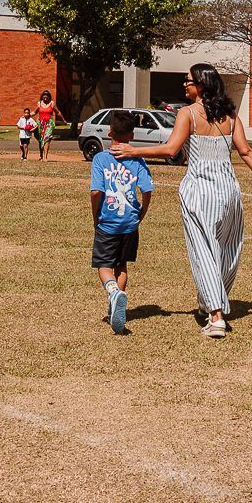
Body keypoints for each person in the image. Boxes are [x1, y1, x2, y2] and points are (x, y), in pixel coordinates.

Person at [111, 62, 252, 339]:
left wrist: (133, 150)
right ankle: (209, 302)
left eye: (188, 81)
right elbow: (246, 152)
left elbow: (171, 148)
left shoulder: (187, 114)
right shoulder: (229, 114)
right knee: (227, 251)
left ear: (201, 84)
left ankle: (216, 316)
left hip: (199, 191)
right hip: (229, 191)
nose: (184, 85)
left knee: (204, 253)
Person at [90, 109, 154, 334]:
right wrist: (141, 213)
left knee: (104, 266)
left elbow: (96, 192)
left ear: (110, 133)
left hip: (108, 221)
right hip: (129, 223)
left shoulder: (100, 159)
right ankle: (115, 308)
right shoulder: (137, 159)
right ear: (132, 134)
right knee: (122, 265)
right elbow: (147, 191)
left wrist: (95, 215)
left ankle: (113, 292)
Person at [33, 90, 64, 162]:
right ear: (42, 96)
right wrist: (26, 116)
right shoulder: (39, 103)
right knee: (41, 140)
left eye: (47, 95)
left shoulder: (52, 103)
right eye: (44, 95)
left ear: (49, 96)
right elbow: (35, 112)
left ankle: (45, 157)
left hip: (49, 124)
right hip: (40, 123)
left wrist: (63, 119)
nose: (45, 96)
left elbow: (58, 112)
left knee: (46, 139)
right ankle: (41, 155)